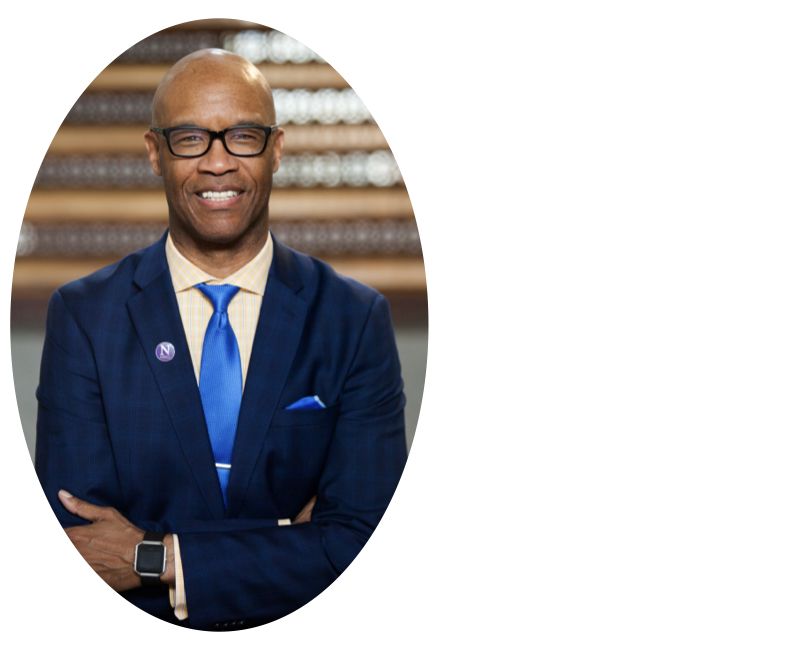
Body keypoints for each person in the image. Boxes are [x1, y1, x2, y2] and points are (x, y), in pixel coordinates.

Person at [34, 48, 407, 630]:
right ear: (155, 154)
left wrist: (154, 556)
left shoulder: (353, 320)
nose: (217, 163)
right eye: (190, 138)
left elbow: (363, 545)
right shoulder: (85, 318)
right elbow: (84, 551)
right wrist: (287, 538)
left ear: (276, 149)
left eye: (242, 136)